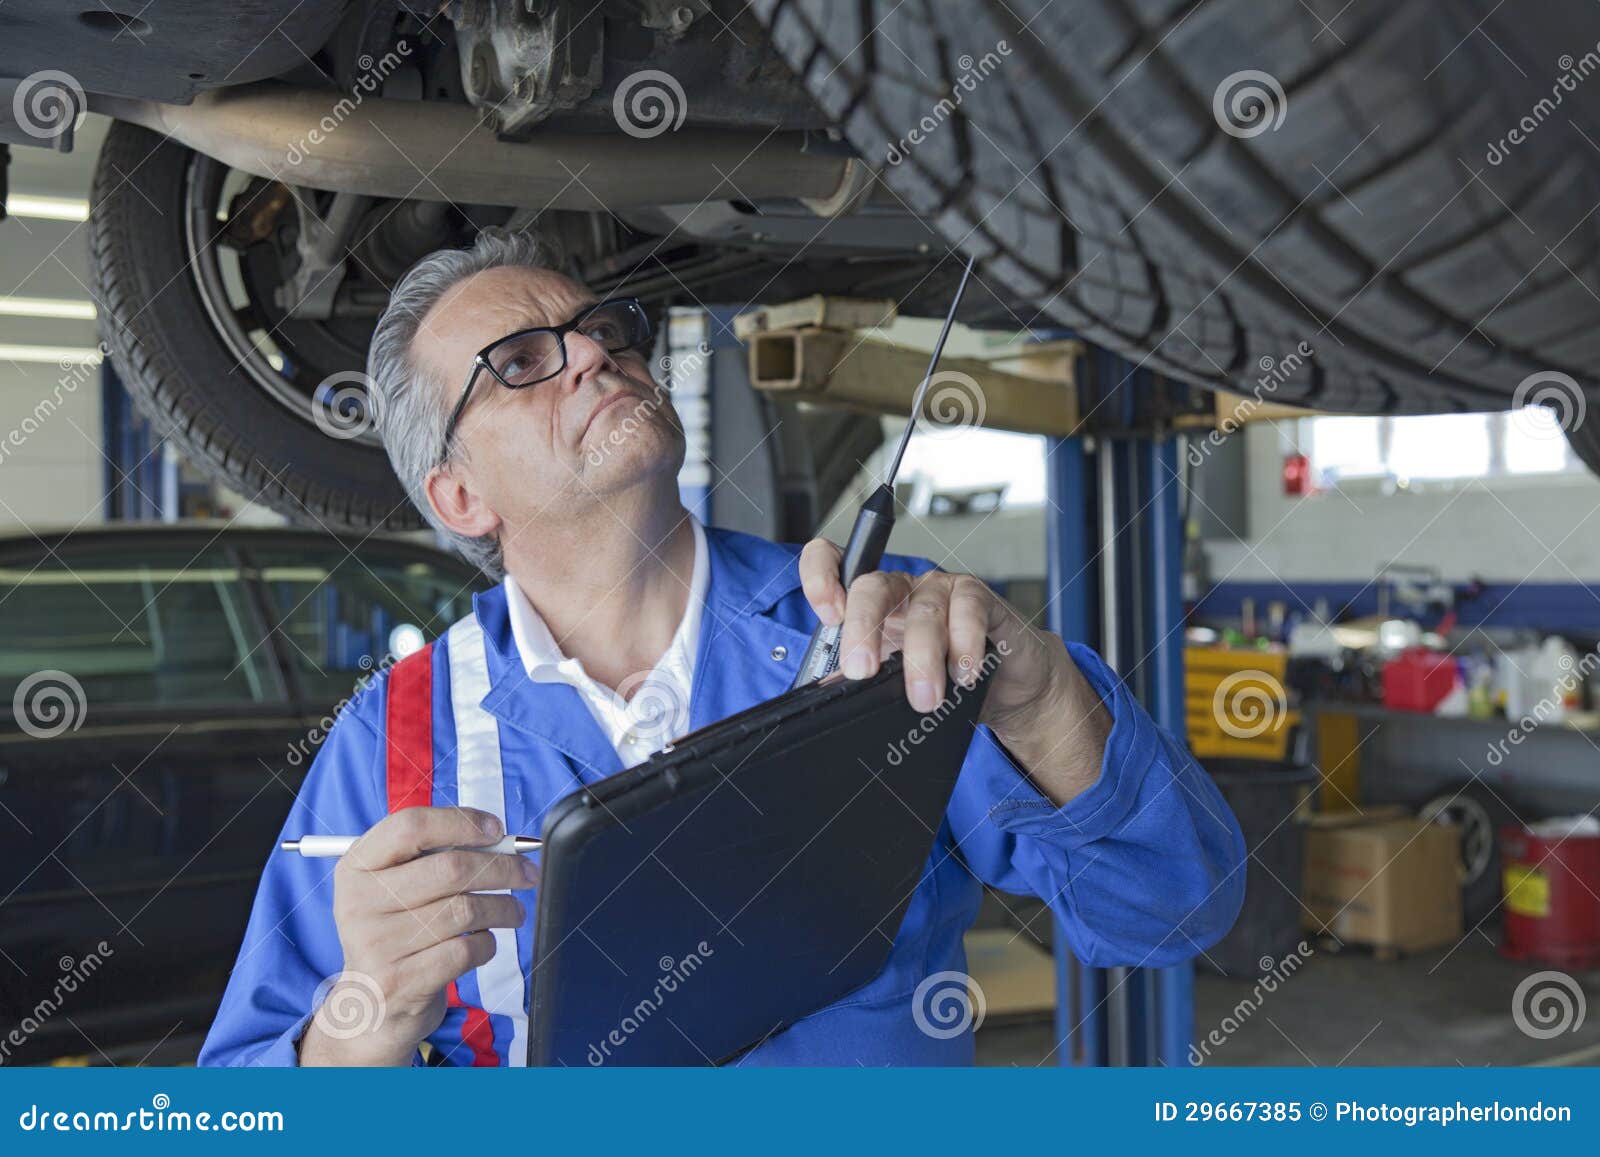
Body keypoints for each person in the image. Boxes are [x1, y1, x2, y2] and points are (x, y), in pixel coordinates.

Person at [198, 230, 1244, 1067]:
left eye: (602, 328)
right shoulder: (397, 735)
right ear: (459, 495)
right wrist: (357, 1023)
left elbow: (1172, 915)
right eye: (521, 362)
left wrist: (1046, 705)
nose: (597, 353)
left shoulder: (873, 635)